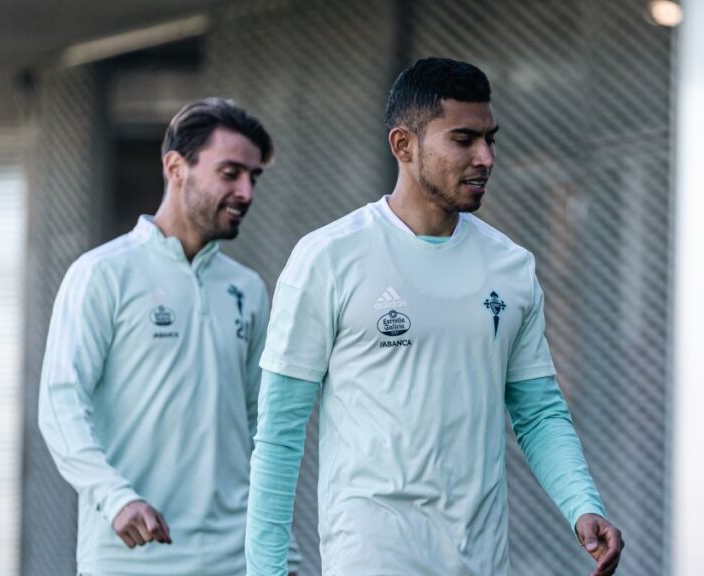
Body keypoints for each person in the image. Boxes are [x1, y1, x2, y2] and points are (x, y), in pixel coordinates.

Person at [245, 58, 623, 576]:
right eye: (463, 139)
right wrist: (265, 569)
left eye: (491, 139)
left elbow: (538, 414)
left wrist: (583, 504)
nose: (485, 157)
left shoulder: (511, 266)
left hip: (483, 557)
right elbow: (281, 431)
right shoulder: (327, 258)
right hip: (373, 558)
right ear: (404, 145)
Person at [39, 97, 299, 576]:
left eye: (253, 177)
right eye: (230, 173)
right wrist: (114, 497)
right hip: (131, 556)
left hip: (234, 559)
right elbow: (61, 403)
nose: (246, 191)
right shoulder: (102, 274)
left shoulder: (248, 289)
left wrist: (283, 548)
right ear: (176, 168)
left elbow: (261, 428)